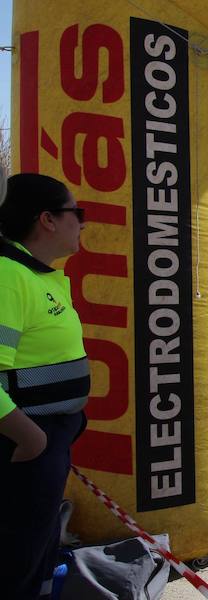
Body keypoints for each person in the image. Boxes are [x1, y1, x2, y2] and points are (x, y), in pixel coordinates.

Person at [0, 173, 90, 599]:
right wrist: (31, 439)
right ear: (48, 220)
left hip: (48, 441)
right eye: (78, 213)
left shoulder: (40, 276)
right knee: (16, 563)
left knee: (36, 556)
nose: (83, 224)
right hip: (23, 447)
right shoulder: (8, 275)